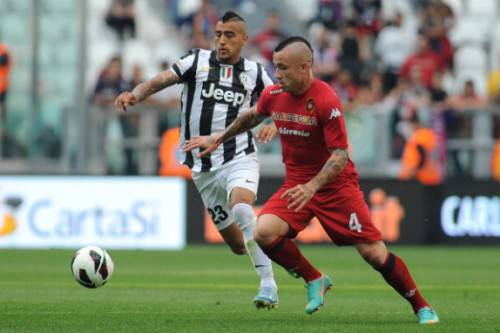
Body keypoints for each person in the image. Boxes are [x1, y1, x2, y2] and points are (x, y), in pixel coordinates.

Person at [184, 36, 439, 324]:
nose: (277, 75)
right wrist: (218, 138)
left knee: (374, 254)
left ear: (304, 67)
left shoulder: (326, 99)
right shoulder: (275, 94)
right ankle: (314, 278)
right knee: (264, 231)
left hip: (335, 187)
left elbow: (340, 155)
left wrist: (313, 186)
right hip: (297, 184)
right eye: (275, 67)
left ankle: (420, 305)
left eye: (283, 68)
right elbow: (251, 117)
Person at [114, 11, 279, 309]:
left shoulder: (255, 72)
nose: (221, 40)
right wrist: (136, 94)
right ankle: (270, 246)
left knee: (242, 209)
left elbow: (281, 100)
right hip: (202, 168)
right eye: (218, 34)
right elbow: (161, 80)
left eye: (229, 35)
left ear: (244, 39)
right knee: (238, 246)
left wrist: (274, 123)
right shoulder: (197, 60)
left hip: (238, 154)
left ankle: (268, 285)